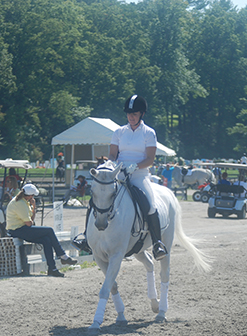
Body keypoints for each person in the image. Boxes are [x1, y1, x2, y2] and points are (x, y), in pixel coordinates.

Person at [73, 95, 167, 261]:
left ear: (142, 114)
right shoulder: (118, 132)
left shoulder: (149, 133)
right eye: (129, 114)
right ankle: (86, 237)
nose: (131, 117)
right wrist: (109, 165)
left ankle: (158, 243)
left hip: (139, 175)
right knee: (98, 199)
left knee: (151, 205)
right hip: (118, 173)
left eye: (134, 114)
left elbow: (150, 159)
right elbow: (112, 154)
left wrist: (136, 166)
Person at [6, 183, 77, 277]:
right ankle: (62, 255)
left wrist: (33, 207)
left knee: (46, 240)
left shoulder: (23, 201)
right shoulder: (20, 203)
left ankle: (53, 268)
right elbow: (29, 223)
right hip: (18, 230)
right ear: (30, 195)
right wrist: (32, 215)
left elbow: (31, 220)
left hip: (21, 229)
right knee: (49, 230)